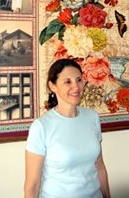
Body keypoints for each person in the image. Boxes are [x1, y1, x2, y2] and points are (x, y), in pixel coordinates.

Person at [24, 59, 111, 198]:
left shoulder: (92, 117)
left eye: (79, 80)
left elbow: (99, 166)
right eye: (67, 81)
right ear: (52, 86)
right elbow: (32, 186)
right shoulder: (41, 127)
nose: (76, 87)